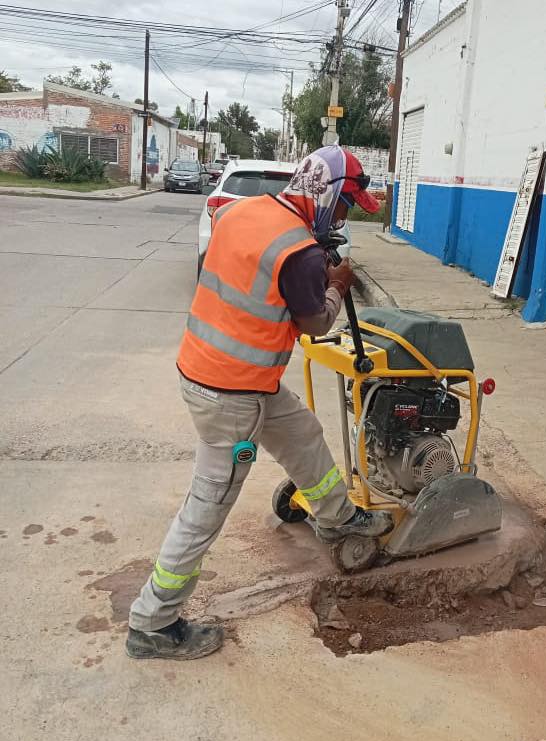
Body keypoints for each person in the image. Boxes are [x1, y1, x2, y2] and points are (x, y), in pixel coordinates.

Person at [127, 146, 393, 661]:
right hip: (230, 396)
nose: (344, 217)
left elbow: (251, 283)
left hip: (225, 374)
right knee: (207, 506)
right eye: (344, 206)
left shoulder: (242, 211)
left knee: (302, 433)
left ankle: (338, 517)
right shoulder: (299, 251)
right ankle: (153, 622)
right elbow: (315, 323)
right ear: (326, 194)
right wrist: (336, 284)